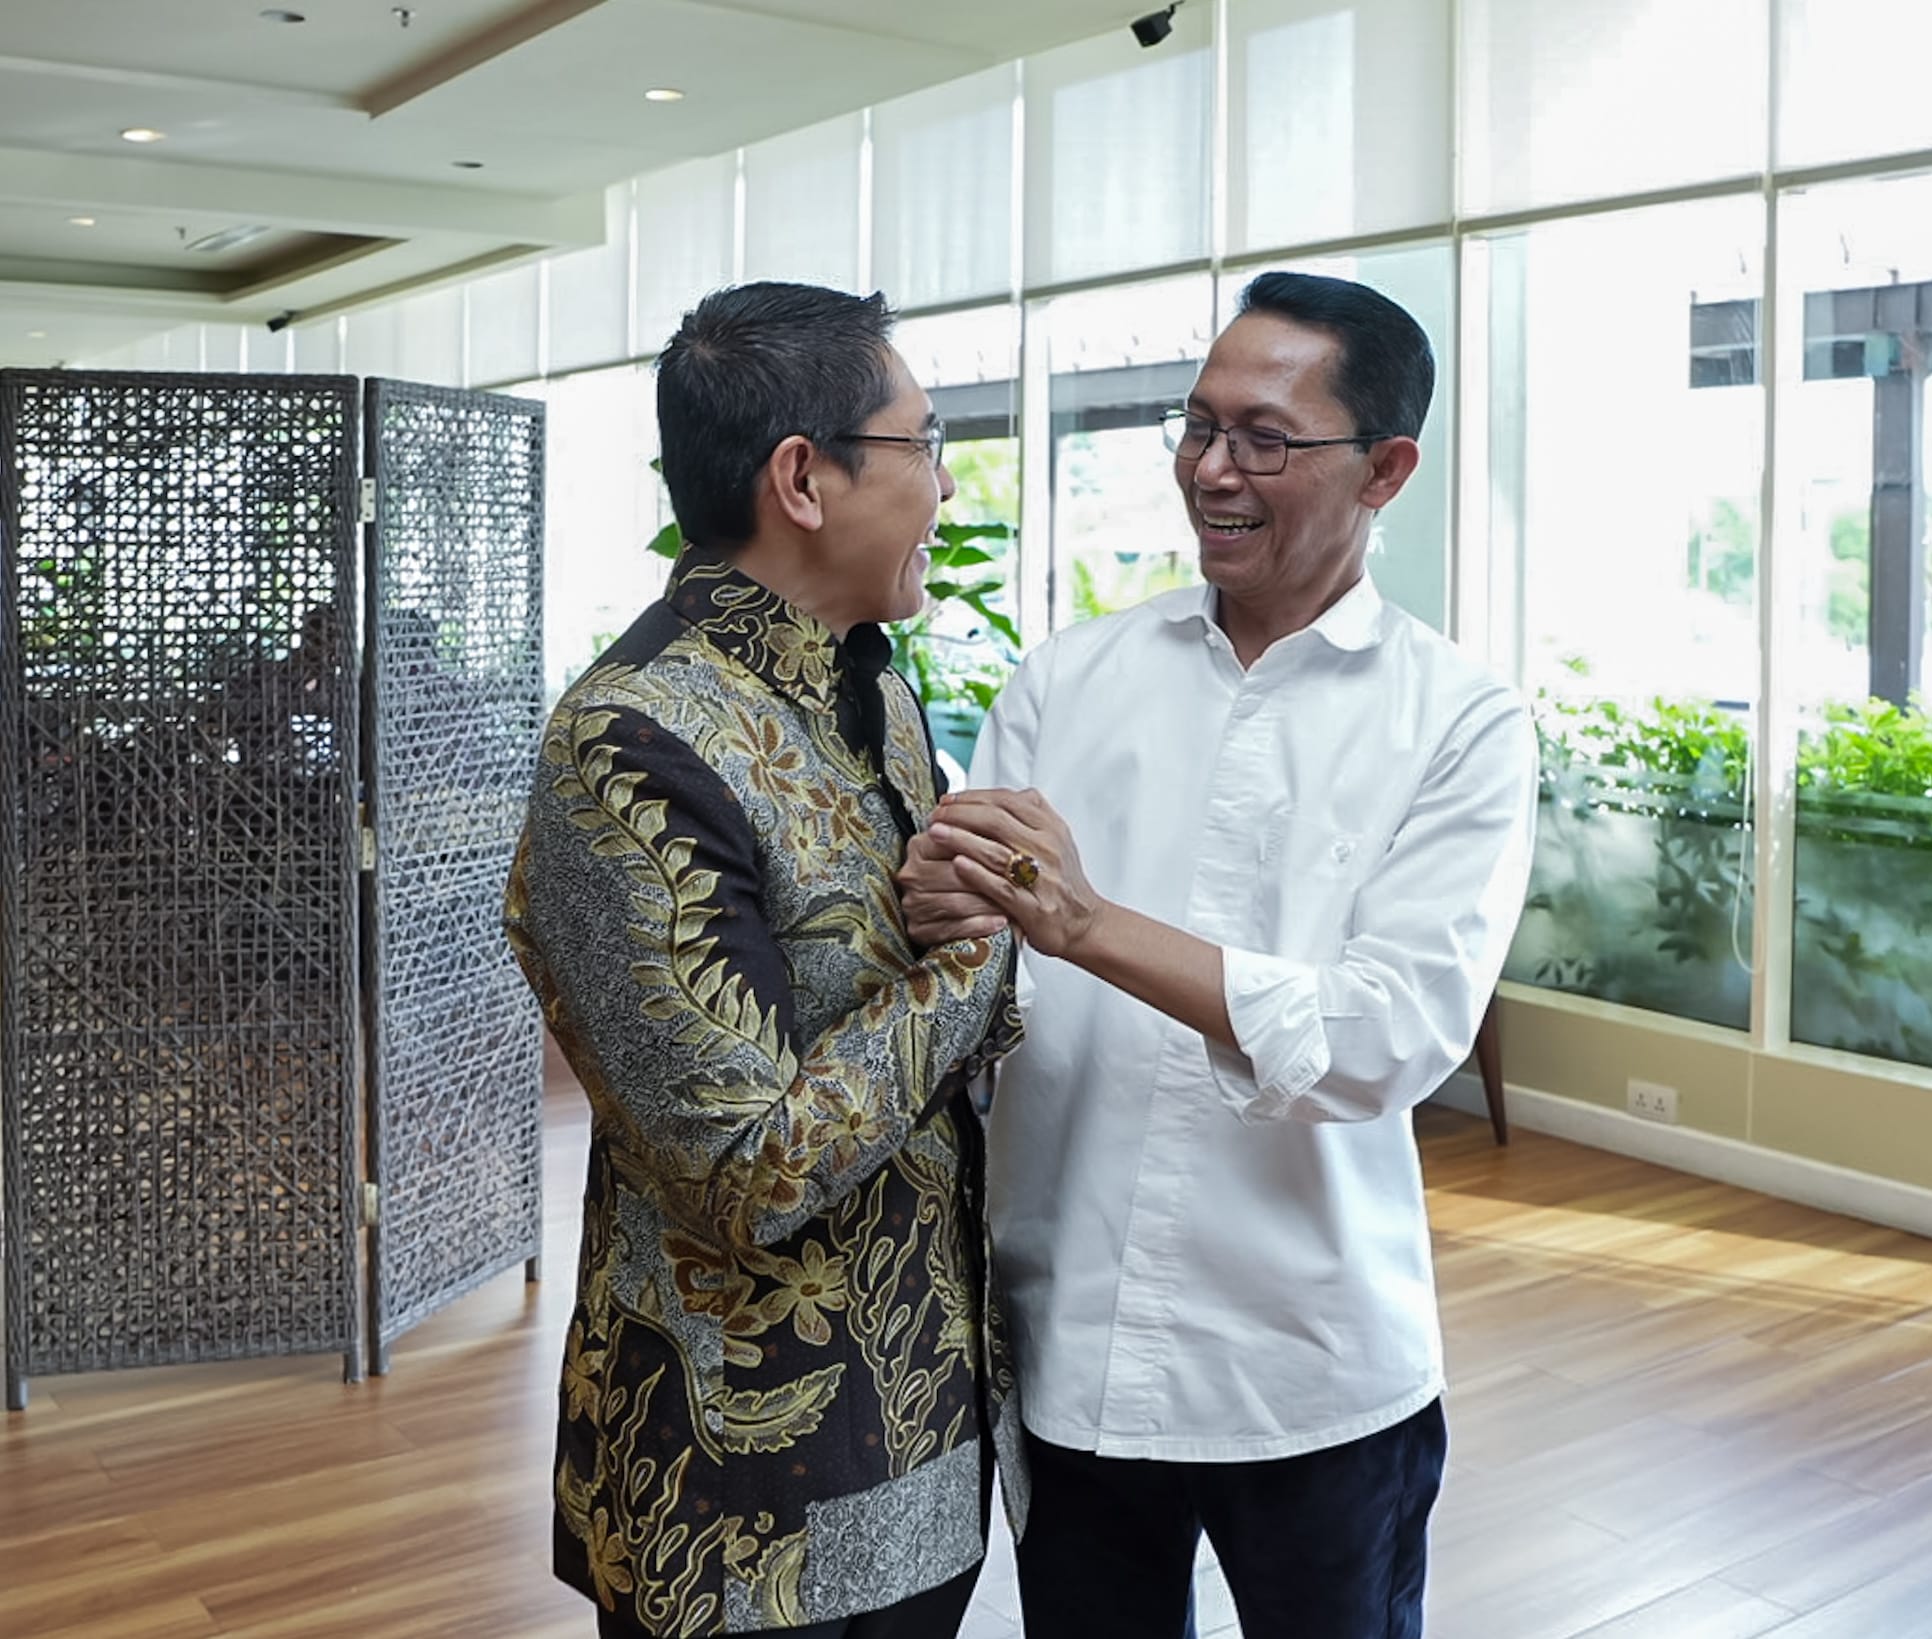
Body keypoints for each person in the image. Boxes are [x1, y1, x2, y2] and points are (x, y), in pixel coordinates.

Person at [900, 272, 1539, 1639]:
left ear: (1385, 469)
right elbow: (974, 979)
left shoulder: (1460, 722)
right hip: (1068, 1333)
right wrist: (939, 909)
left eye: (1263, 437)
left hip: (1310, 1365)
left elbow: (1383, 1036)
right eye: (1196, 426)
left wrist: (1087, 924)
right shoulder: (1066, 681)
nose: (1210, 469)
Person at [504, 281, 1026, 1639]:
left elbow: (912, 1000)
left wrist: (967, 927)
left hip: (921, 1411)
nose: (945, 487)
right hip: (739, 1494)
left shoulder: (873, 687)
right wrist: (986, 949)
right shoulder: (631, 743)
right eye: (922, 444)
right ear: (803, 477)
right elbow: (747, 1169)